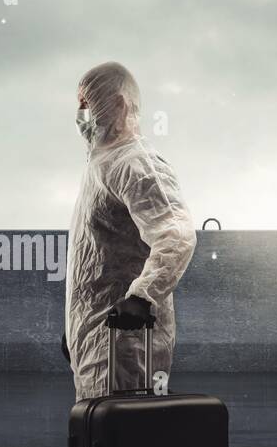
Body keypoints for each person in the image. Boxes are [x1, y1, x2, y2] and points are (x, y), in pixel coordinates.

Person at [63, 61, 197, 401]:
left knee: (128, 439)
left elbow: (175, 233)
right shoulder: (100, 166)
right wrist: (73, 325)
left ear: (119, 104)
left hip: (125, 343)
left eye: (87, 102)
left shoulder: (135, 164)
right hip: (96, 339)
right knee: (98, 441)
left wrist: (142, 297)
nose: (80, 112)